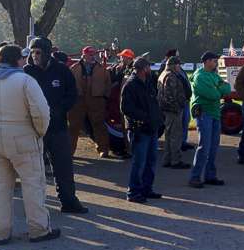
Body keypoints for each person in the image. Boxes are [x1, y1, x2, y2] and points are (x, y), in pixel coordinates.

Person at [0, 44, 61, 243]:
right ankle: (38, 229)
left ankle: (0, 232)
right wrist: (39, 133)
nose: (25, 60)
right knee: (33, 184)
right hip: (22, 138)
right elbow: (41, 112)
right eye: (22, 58)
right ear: (16, 60)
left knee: (0, 186)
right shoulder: (25, 80)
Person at [24, 37, 88, 214]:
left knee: (63, 167)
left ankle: (68, 202)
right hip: (33, 129)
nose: (35, 56)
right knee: (33, 169)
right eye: (32, 52)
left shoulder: (61, 70)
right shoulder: (26, 71)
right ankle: (35, 207)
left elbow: (72, 93)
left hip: (57, 127)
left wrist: (60, 109)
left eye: (38, 52)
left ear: (47, 53)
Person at [121, 57, 164, 202]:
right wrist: (145, 117)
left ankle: (146, 189)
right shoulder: (131, 85)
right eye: (148, 67)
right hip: (139, 129)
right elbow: (125, 108)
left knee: (151, 161)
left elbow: (153, 103)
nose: (150, 70)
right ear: (143, 69)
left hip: (150, 128)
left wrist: (157, 120)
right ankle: (133, 192)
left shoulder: (147, 83)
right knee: (139, 162)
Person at [189, 52, 232, 187]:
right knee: (204, 147)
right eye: (214, 60)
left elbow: (228, 88)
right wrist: (219, 89)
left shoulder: (213, 75)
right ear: (207, 61)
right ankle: (195, 177)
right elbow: (212, 94)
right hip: (205, 114)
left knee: (213, 147)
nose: (216, 63)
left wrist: (218, 88)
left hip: (214, 114)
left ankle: (210, 176)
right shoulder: (200, 76)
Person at [68, 46, 112, 158]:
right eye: (90, 54)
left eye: (93, 54)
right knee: (73, 126)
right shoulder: (74, 68)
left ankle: (103, 149)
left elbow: (108, 84)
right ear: (84, 55)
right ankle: (69, 151)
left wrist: (104, 98)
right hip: (78, 100)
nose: (92, 56)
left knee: (99, 125)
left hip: (96, 100)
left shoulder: (102, 69)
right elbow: (68, 85)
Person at [158, 56, 190, 169]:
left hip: (167, 110)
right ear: (173, 65)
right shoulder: (171, 76)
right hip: (173, 110)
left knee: (169, 135)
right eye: (178, 65)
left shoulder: (163, 74)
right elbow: (170, 95)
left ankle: (167, 159)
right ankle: (176, 161)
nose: (179, 67)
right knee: (175, 136)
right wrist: (178, 107)